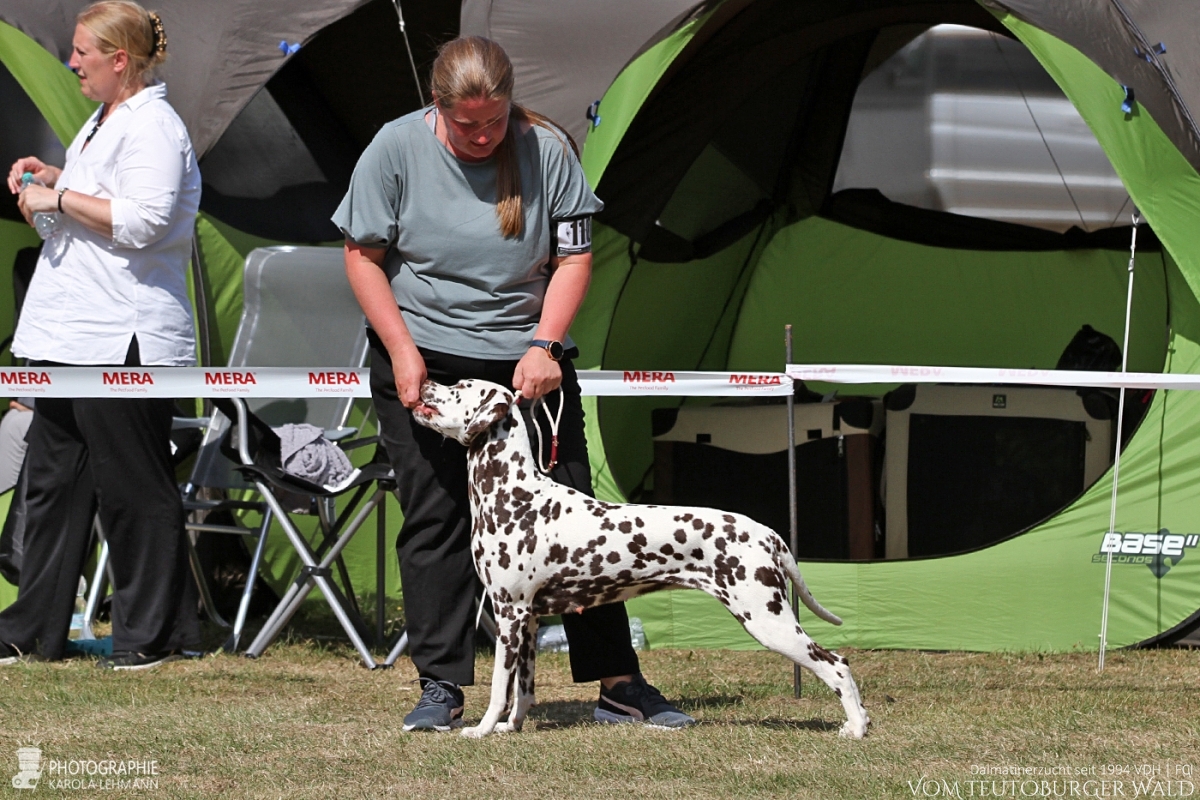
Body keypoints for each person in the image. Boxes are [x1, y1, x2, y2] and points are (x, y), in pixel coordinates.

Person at [335, 36, 695, 731]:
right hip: (424, 360)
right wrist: (403, 352)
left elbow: (575, 259)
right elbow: (361, 256)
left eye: (493, 123)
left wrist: (544, 345)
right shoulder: (393, 148)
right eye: (466, 125)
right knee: (436, 517)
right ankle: (442, 688)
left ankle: (618, 684)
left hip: (529, 363)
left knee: (583, 522)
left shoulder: (547, 149)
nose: (481, 136)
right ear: (435, 108)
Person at [0, 0, 200, 669]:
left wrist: (60, 198)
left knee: (134, 486)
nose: (71, 62)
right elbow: (82, 228)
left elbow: (143, 224)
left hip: (126, 338)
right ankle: (32, 629)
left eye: (83, 51)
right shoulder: (102, 121)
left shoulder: (155, 127)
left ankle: (155, 634)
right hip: (72, 336)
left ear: (120, 60)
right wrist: (49, 188)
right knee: (53, 486)